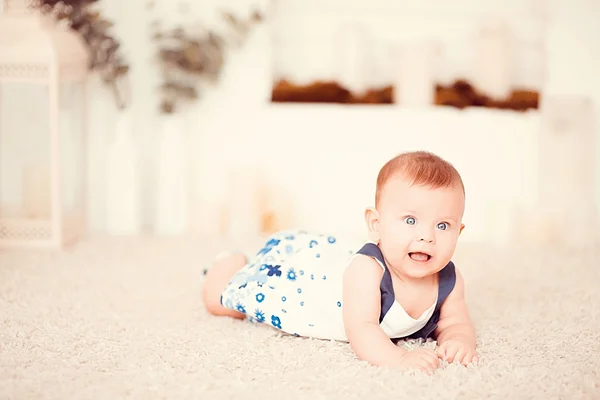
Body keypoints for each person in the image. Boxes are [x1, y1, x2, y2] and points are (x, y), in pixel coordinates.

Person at [202, 151, 478, 373]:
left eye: (443, 226)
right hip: (307, 288)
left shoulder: (449, 280)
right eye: (410, 221)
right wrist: (397, 359)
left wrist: (458, 341)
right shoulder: (367, 270)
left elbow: (455, 323)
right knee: (223, 301)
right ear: (376, 224)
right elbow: (362, 329)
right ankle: (230, 263)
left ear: (459, 232)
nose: (426, 237)